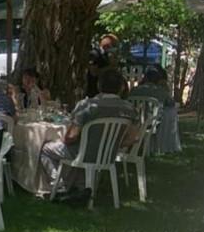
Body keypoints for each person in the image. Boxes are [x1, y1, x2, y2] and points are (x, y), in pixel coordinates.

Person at [40, 68, 140, 200]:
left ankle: (60, 186)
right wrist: (112, 145)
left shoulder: (86, 105)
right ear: (121, 87)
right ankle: (80, 188)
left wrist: (66, 139)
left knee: (46, 149)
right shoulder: (129, 109)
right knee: (78, 150)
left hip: (82, 153)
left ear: (99, 85)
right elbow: (134, 138)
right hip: (109, 155)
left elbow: (71, 136)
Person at [86, 33, 119, 98]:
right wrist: (110, 67)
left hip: (105, 91)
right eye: (114, 45)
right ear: (108, 45)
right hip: (94, 90)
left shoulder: (106, 55)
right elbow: (93, 72)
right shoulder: (95, 54)